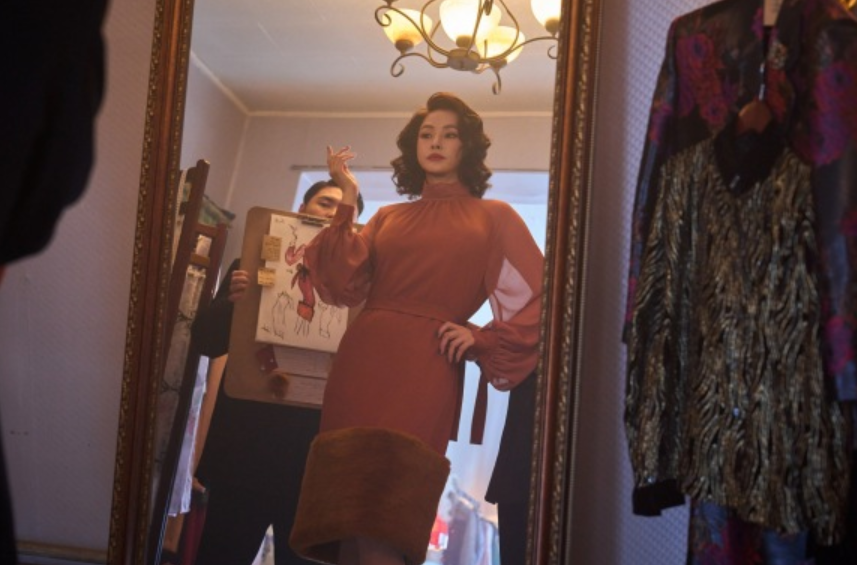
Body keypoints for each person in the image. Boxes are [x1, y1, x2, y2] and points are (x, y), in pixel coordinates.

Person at [288, 92, 544, 565]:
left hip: (426, 367)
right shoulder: (388, 216)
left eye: (449, 134)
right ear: (413, 146)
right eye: (427, 134)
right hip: (360, 363)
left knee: (389, 517)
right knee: (345, 519)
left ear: (467, 147)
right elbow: (340, 281)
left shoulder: (495, 217)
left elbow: (541, 297)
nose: (436, 142)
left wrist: (482, 337)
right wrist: (347, 197)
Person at [190, 180, 364, 565]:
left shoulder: (362, 288)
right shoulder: (250, 266)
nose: (332, 213)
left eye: (343, 209)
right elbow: (205, 341)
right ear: (301, 208)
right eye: (324, 202)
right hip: (245, 449)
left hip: (312, 460)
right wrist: (233, 304)